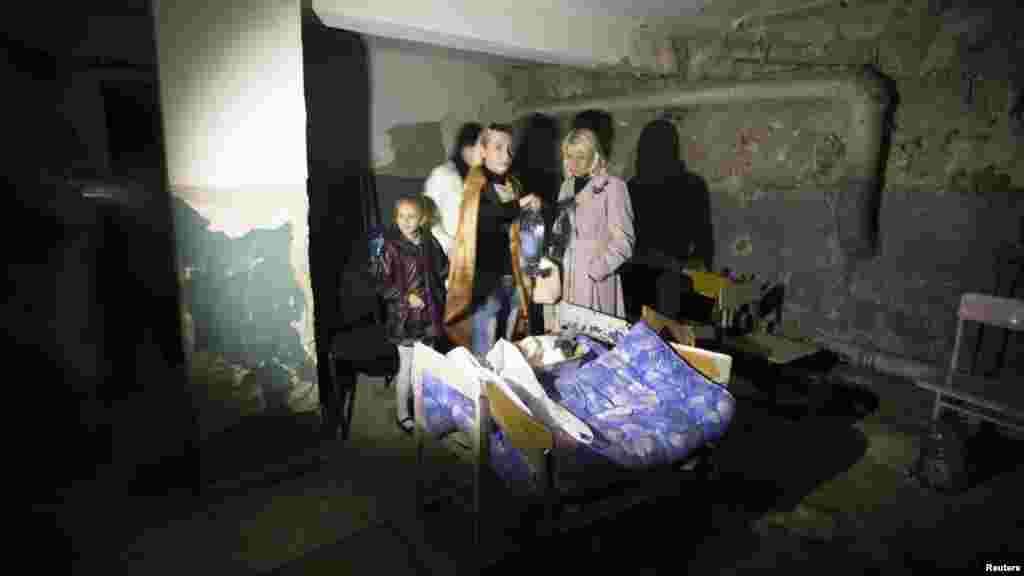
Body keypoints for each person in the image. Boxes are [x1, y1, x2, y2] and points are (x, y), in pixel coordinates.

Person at [444, 123, 543, 357]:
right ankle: (484, 392)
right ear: (484, 150)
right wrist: (521, 204)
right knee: (485, 349)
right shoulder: (476, 183)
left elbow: (524, 228)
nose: (506, 155)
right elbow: (487, 217)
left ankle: (507, 390)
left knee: (510, 346)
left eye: (510, 148)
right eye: (498, 148)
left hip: (515, 277)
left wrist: (536, 209)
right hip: (487, 283)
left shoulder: (514, 183)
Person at [374, 195, 448, 435]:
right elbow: (381, 283)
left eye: (411, 217)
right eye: (401, 217)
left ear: (422, 219)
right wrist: (405, 296)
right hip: (404, 318)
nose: (406, 221)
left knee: (426, 365)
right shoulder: (391, 246)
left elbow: (442, 269)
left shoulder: (429, 241)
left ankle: (421, 407)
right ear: (396, 219)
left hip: (430, 316)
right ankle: (402, 413)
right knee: (406, 365)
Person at [626, 119, 714, 320]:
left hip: (668, 281)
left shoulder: (691, 186)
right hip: (641, 277)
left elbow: (703, 245)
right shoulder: (633, 188)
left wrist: (688, 268)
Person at [553, 127, 635, 319]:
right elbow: (560, 232)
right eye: (569, 155)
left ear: (594, 156)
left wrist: (597, 270)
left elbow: (624, 242)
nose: (574, 162)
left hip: (596, 285)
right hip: (567, 284)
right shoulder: (566, 187)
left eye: (581, 156)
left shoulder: (613, 187)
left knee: (596, 345)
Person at [423, 122, 484, 257]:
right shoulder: (442, 174)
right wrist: (449, 245)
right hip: (449, 257)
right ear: (463, 148)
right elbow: (427, 217)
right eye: (474, 146)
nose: (480, 153)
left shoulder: (483, 178)